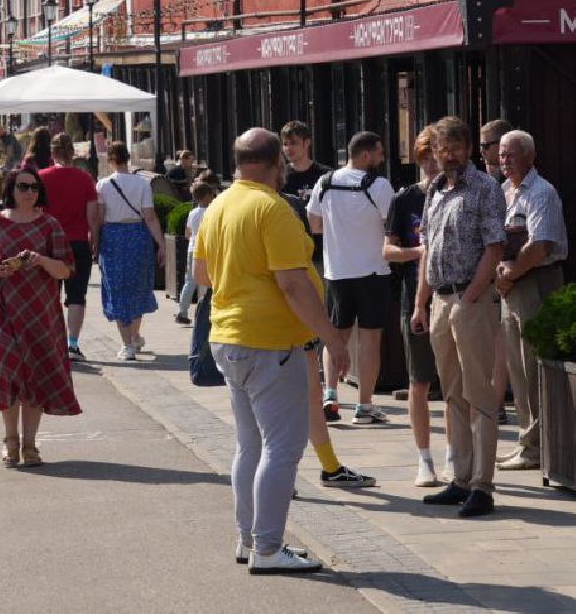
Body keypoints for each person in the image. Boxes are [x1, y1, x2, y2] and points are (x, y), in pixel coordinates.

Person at [191, 127, 350, 573]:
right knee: (282, 447)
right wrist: (333, 339)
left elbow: (201, 275)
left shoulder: (218, 205)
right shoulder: (272, 208)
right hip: (268, 341)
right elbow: (294, 284)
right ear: (277, 162)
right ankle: (267, 547)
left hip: (229, 336)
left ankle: (249, 539)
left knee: (250, 445)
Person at [412, 116, 506, 518]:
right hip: (439, 301)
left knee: (479, 393)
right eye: (440, 148)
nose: (447, 155)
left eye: (454, 147)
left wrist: (470, 297)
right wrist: (421, 303)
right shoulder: (434, 189)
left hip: (471, 299)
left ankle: (483, 485)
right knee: (451, 393)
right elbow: (428, 250)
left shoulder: (485, 189)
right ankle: (461, 479)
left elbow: (495, 246)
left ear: (468, 149)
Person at [0, 166, 80, 467]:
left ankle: (30, 445)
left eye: (34, 188)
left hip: (41, 315)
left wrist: (41, 260)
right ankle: (10, 439)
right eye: (23, 187)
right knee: (5, 373)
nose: (29, 193)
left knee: (36, 376)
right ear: (11, 190)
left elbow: (66, 269)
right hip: (3, 314)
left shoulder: (49, 225)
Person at [307, 131, 395, 425]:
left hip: (337, 271)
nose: (382, 159)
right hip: (373, 271)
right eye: (380, 153)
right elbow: (390, 227)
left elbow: (315, 224)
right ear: (366, 155)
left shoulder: (326, 181)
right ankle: (365, 406)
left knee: (335, 335)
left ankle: (330, 394)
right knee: (370, 339)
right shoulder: (379, 185)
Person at [494, 129, 569, 472]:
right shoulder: (503, 192)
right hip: (511, 284)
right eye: (500, 155)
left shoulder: (542, 192)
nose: (503, 160)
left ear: (529, 156)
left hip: (536, 281)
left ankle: (538, 445)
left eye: (510, 154)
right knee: (517, 367)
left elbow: (541, 245)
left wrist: (510, 273)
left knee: (532, 362)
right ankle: (526, 440)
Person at [384, 129, 445, 486]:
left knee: (456, 383)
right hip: (414, 295)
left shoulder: (458, 194)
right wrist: (418, 252)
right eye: (424, 158)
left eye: (435, 157)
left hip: (452, 294)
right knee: (419, 379)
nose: (431, 165)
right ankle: (424, 459)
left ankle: (456, 455)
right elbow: (387, 251)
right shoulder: (405, 199)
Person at [90, 141, 163, 359]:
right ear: (128, 158)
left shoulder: (103, 185)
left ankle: (127, 343)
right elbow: (150, 217)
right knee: (138, 286)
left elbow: (100, 218)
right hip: (138, 235)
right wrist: (160, 243)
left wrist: (95, 241)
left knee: (117, 288)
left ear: (110, 160)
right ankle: (134, 335)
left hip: (112, 237)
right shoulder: (142, 184)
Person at [38, 133, 100, 362]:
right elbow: (92, 216)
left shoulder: (40, 177)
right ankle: (72, 344)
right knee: (77, 295)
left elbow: (34, 212)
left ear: (52, 153)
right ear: (72, 152)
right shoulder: (84, 179)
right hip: (77, 242)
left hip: (47, 243)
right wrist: (95, 239)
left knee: (49, 295)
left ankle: (50, 343)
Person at [480, 118, 515, 425]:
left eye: (485, 145)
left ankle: (497, 399)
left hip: (507, 269)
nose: (482, 152)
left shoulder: (510, 186)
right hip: (484, 268)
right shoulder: (483, 182)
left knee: (501, 338)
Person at [174, 178, 216, 325]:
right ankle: (205, 312)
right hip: (206, 249)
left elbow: (187, 233)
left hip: (192, 247)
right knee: (206, 282)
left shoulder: (192, 213)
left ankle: (182, 311)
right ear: (206, 196)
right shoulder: (212, 212)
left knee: (189, 282)